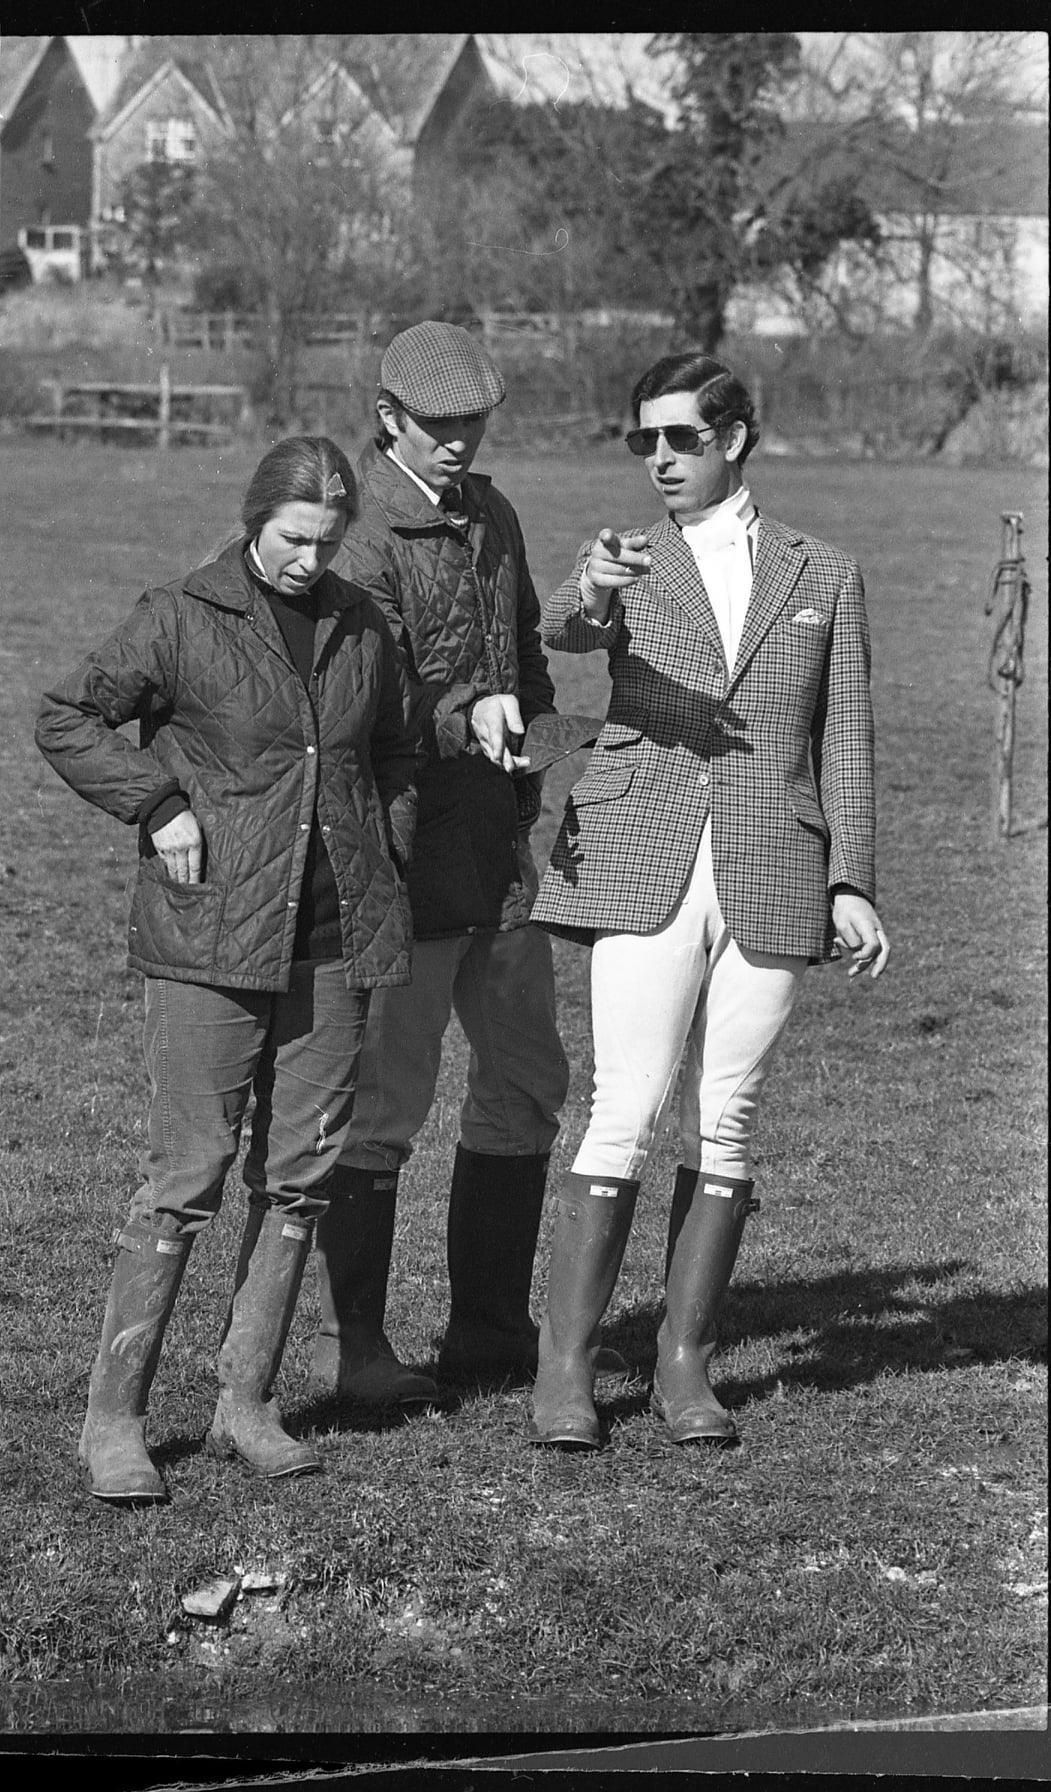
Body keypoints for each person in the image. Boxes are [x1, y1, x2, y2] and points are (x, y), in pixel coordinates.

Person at [35, 436, 421, 1503]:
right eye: (296, 537)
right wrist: (156, 804)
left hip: (338, 941)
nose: (310, 559)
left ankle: (244, 1400)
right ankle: (113, 1420)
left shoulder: (361, 624)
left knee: (300, 1180)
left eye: (328, 542)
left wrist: (385, 839)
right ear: (257, 518)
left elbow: (395, 749)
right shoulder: (180, 615)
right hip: (210, 938)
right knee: (186, 1178)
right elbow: (66, 715)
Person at [528, 352, 891, 1450]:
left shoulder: (823, 573)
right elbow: (564, 629)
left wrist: (851, 880)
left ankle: (684, 1364)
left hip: (773, 864)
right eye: (644, 441)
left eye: (680, 438)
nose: (659, 459)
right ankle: (566, 1370)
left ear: (734, 437)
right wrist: (593, 582)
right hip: (641, 855)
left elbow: (846, 740)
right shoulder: (628, 558)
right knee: (625, 1106)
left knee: (723, 1118)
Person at [308, 320, 625, 1406]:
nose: (458, 442)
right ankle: (358, 1353)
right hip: (399, 871)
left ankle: (487, 1329)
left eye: (473, 423)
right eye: (439, 425)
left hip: (501, 863)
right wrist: (462, 713)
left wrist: (538, 723)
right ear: (389, 417)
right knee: (382, 1111)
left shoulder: (493, 513)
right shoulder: (357, 542)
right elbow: (364, 704)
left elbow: (524, 642)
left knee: (528, 1086)